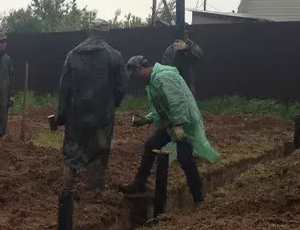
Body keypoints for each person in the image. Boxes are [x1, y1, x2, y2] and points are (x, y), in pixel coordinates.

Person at [124, 55, 219, 206]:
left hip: (184, 123)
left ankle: (198, 199)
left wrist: (179, 125)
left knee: (185, 158)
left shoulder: (164, 77)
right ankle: (139, 184)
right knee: (151, 144)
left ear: (139, 69)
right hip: (171, 123)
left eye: (135, 74)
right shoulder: (152, 81)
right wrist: (146, 119)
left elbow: (177, 102)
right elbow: (161, 108)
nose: (135, 78)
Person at [49, 32, 127, 192]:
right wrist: (113, 103)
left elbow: (64, 88)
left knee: (72, 149)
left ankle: (67, 190)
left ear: (90, 32)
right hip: (102, 115)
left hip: (76, 114)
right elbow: (122, 86)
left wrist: (62, 115)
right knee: (99, 150)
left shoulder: (73, 54)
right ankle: (96, 194)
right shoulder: (114, 55)